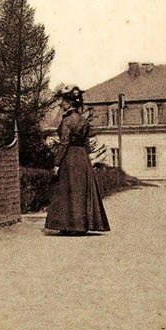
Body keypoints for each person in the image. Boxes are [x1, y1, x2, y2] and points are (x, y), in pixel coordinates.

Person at [44, 87, 110, 235]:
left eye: (63, 103)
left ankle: (69, 226)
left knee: (69, 190)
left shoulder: (67, 121)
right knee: (82, 190)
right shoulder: (84, 121)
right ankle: (82, 225)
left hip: (70, 157)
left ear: (68, 104)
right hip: (82, 157)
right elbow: (86, 143)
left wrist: (57, 163)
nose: (62, 106)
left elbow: (64, 143)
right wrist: (88, 159)